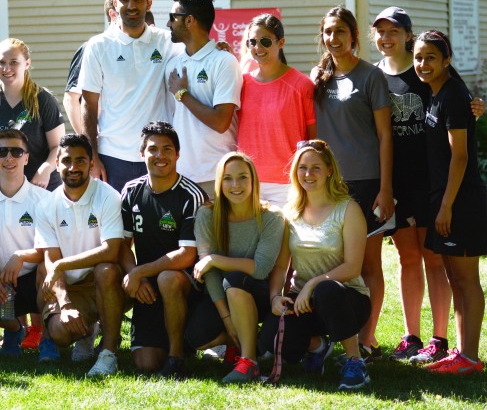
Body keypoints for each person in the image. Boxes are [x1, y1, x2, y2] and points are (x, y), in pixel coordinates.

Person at [369, 7, 452, 362]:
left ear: (407, 34)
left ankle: (440, 339)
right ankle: (411, 336)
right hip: (394, 182)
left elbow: (455, 100)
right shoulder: (373, 75)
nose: (386, 38)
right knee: (407, 258)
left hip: (430, 181)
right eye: (380, 32)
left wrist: (474, 107)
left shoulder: (423, 68)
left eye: (393, 31)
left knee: (434, 259)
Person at [311, 6, 393, 361]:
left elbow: (385, 135)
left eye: (340, 32)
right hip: (328, 184)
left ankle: (366, 337)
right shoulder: (318, 77)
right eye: (328, 32)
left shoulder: (371, 76)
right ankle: (332, 333)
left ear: (354, 36)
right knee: (330, 260)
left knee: (367, 264)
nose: (334, 39)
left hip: (366, 181)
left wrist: (386, 188)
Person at [259, 140, 371, 391]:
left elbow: (353, 267)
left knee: (326, 290)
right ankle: (318, 347)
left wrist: (312, 283)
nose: (308, 174)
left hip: (346, 298)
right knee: (270, 340)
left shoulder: (348, 209)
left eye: (315, 168)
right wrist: (276, 297)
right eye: (302, 167)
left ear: (329, 170)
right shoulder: (291, 212)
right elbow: (280, 267)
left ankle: (355, 362)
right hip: (303, 301)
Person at [413, 30, 487, 374]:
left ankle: (469, 358)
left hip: (460, 202)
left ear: (447, 60)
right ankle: (461, 353)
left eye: (430, 57)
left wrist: (446, 206)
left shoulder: (454, 95)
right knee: (455, 279)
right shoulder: (437, 93)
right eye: (418, 57)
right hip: (445, 199)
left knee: (466, 280)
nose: (423, 64)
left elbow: (460, 157)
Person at [119, 122, 208, 377]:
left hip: (186, 284)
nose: (160, 156)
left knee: (167, 278)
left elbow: (187, 255)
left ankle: (176, 357)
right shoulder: (131, 191)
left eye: (167, 149)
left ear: (178, 154)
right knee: (145, 363)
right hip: (148, 286)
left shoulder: (191, 195)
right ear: (141, 154)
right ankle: (108, 347)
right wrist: (135, 274)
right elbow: (123, 246)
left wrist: (140, 272)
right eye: (152, 149)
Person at [80, 0, 181, 193]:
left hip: (158, 155)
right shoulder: (98, 46)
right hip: (113, 158)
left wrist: (220, 49)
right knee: (117, 227)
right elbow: (88, 102)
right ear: (115, 3)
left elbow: (196, 53)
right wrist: (92, 155)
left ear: (149, 3)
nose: (132, 5)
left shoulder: (167, 42)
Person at [35, 134, 125, 377]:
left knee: (105, 270)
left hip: (104, 281)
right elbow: (51, 260)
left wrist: (62, 264)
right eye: (66, 161)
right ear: (57, 164)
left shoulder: (108, 196)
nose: (73, 168)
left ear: (91, 163)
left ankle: (108, 352)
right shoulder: (46, 205)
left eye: (80, 161)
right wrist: (65, 305)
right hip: (71, 287)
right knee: (61, 332)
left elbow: (112, 250)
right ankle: (87, 331)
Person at [192, 152, 285, 383]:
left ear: (254, 181)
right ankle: (238, 341)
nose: (235, 185)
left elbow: (261, 269)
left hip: (259, 294)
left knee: (234, 279)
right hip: (222, 294)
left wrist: (213, 259)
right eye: (228, 178)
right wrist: (227, 318)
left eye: (243, 177)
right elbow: (210, 275)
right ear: (219, 183)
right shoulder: (207, 214)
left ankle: (249, 361)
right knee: (196, 337)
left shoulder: (272, 216)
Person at [0, 129, 50, 356]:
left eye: (16, 152)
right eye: (2, 152)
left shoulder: (45, 199)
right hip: (1, 283)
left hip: (35, 278)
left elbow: (51, 249)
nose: (9, 158)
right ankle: (15, 330)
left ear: (26, 157)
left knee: (47, 266)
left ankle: (47, 339)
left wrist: (22, 256)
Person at [165, 0, 242, 198]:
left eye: (173, 18)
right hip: (180, 176)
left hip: (217, 175)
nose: (168, 24)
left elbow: (221, 122)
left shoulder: (224, 61)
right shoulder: (173, 64)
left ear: (189, 20)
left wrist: (183, 94)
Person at [236, 14, 315, 207]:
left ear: (281, 43)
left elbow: (314, 139)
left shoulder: (302, 85)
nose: (257, 47)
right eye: (252, 42)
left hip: (288, 185)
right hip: (248, 181)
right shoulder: (240, 83)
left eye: (264, 41)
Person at [0, 38, 64, 191]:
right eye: (1, 62)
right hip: (3, 188)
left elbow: (58, 146)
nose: (6, 68)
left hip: (41, 187)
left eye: (14, 62)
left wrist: (45, 170)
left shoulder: (43, 99)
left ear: (27, 64)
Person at [63, 0, 117, 136]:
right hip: (101, 141)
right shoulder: (92, 47)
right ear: (113, 14)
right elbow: (71, 98)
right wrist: (87, 140)